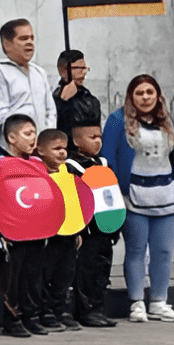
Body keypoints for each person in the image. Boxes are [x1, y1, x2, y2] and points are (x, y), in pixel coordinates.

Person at [102, 74, 174, 323]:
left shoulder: (166, 120)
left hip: (166, 193)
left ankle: (160, 301)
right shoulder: (117, 120)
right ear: (131, 96)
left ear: (157, 95)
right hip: (133, 194)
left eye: (150, 92)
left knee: (163, 251)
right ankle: (137, 302)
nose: (145, 97)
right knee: (136, 249)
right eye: (140, 93)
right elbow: (109, 158)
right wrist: (114, 193)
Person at [0, 114, 48, 338]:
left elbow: (45, 196)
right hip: (12, 233)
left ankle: (30, 316)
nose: (33, 138)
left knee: (33, 276)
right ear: (11, 138)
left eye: (34, 133)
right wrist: (0, 231)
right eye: (27, 134)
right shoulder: (0, 165)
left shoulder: (37, 165)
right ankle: (12, 319)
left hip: (35, 230)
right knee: (12, 277)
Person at [67, 121, 118, 328]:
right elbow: (73, 199)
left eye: (99, 137)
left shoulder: (103, 163)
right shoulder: (72, 166)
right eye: (92, 137)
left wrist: (115, 225)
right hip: (87, 230)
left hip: (105, 226)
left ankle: (99, 308)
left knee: (102, 270)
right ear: (77, 141)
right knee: (86, 271)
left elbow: (111, 195)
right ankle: (86, 311)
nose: (98, 141)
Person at [34, 129, 82, 332]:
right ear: (41, 150)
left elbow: (73, 201)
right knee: (47, 273)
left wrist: (78, 229)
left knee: (65, 274)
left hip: (69, 233)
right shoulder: (38, 172)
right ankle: (45, 312)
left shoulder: (67, 171)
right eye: (56, 149)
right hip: (49, 235)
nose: (62, 153)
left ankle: (60, 310)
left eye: (64, 149)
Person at [0, 18, 57, 145]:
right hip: (13, 147)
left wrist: (47, 136)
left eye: (32, 38)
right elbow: (0, 114)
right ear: (6, 44)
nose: (30, 42)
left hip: (42, 145)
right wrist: (24, 137)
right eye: (23, 38)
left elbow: (51, 111)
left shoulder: (39, 72)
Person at [53, 49, 100, 139]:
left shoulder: (91, 101)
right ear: (63, 70)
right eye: (80, 68)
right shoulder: (52, 98)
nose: (84, 73)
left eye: (85, 69)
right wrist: (63, 101)